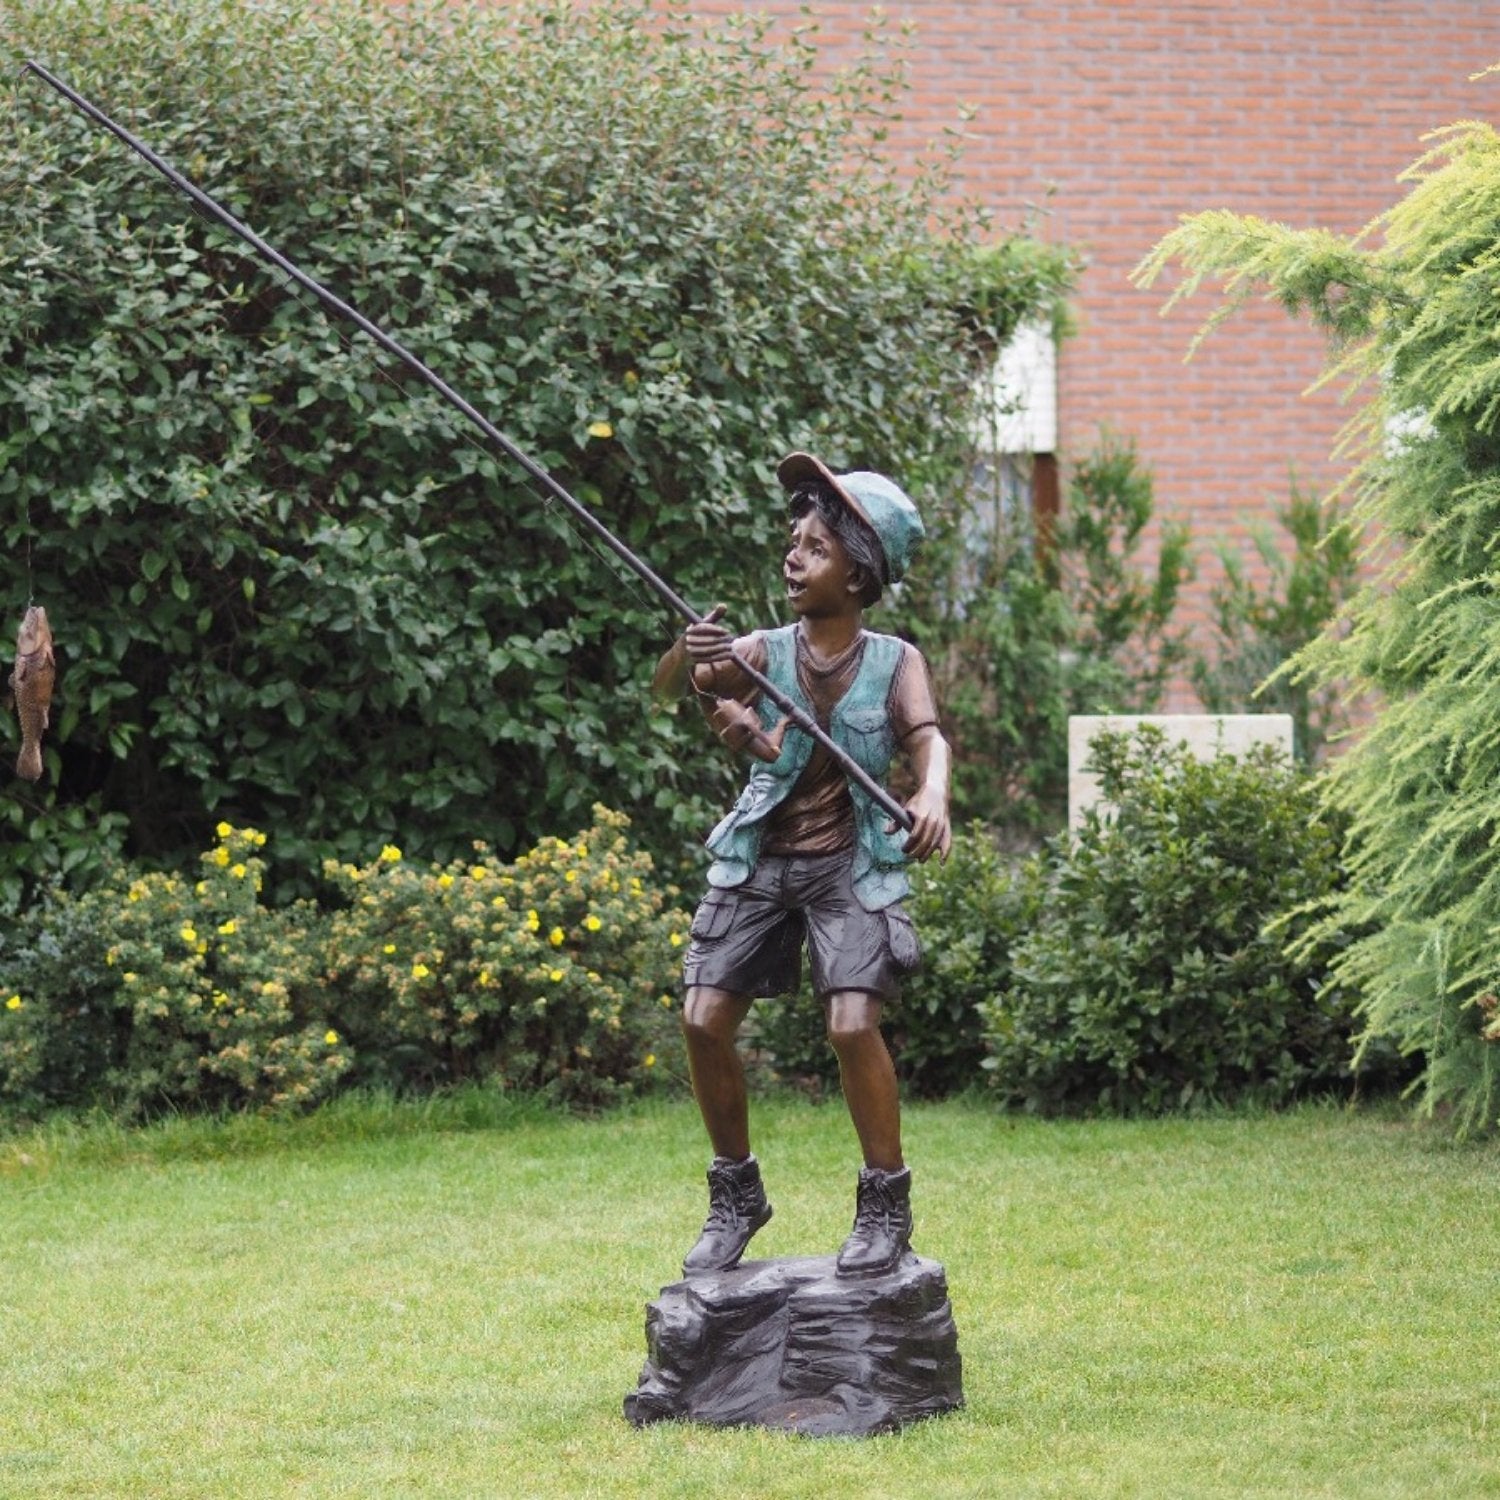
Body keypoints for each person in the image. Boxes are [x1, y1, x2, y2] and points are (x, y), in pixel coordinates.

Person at [653, 451, 951, 1280]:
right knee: (702, 1017)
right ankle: (735, 1195)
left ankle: (885, 1205)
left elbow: (928, 739)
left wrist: (933, 793)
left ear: (857, 575)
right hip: (761, 858)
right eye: (793, 543)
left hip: (849, 865)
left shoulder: (896, 662)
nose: (793, 558)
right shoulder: (758, 649)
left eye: (815, 548)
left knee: (853, 1024)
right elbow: (676, 687)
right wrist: (689, 652)